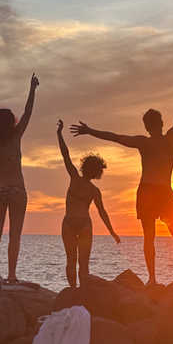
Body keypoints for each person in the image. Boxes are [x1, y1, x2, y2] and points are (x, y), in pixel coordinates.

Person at [71, 71, 173, 285]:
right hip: (161, 191)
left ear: (147, 127)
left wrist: (89, 131)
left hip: (149, 191)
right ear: (160, 123)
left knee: (152, 236)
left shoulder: (145, 142)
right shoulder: (171, 138)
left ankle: (153, 279)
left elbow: (115, 137)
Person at [0, 74, 39, 284]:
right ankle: (11, 275)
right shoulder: (16, 135)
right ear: (11, 122)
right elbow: (28, 112)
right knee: (14, 235)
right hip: (17, 190)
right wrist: (32, 89)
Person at [56, 119, 120, 287]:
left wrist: (113, 232)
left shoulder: (90, 188)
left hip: (78, 225)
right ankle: (74, 292)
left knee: (77, 262)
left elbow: (102, 212)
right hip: (75, 225)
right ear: (95, 171)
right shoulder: (82, 182)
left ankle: (77, 292)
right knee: (76, 262)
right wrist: (59, 134)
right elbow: (65, 154)